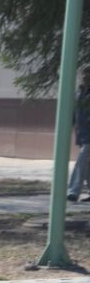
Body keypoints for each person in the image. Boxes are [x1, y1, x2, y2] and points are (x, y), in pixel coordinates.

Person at [66, 72, 90, 201]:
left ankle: (73, 191)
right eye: (84, 74)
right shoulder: (77, 94)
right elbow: (74, 114)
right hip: (82, 134)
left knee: (81, 161)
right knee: (86, 165)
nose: (85, 77)